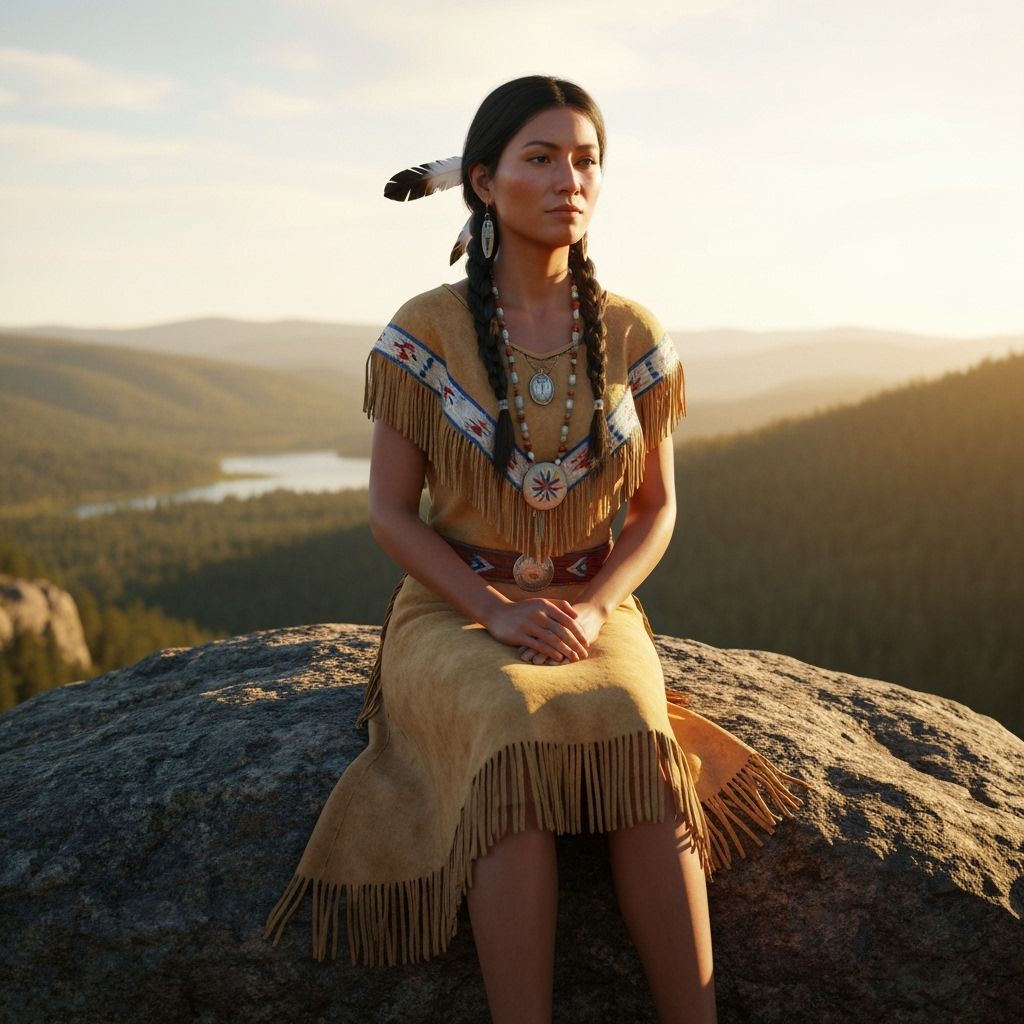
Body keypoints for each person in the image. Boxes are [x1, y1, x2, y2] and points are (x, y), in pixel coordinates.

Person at [264, 75, 806, 1024]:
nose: (571, 179)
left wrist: (595, 606)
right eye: (541, 158)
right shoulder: (423, 330)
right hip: (453, 607)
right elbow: (392, 514)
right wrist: (497, 612)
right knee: (510, 737)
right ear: (482, 181)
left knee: (640, 738)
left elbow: (655, 509)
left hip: (592, 599)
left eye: (587, 159)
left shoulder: (634, 332)